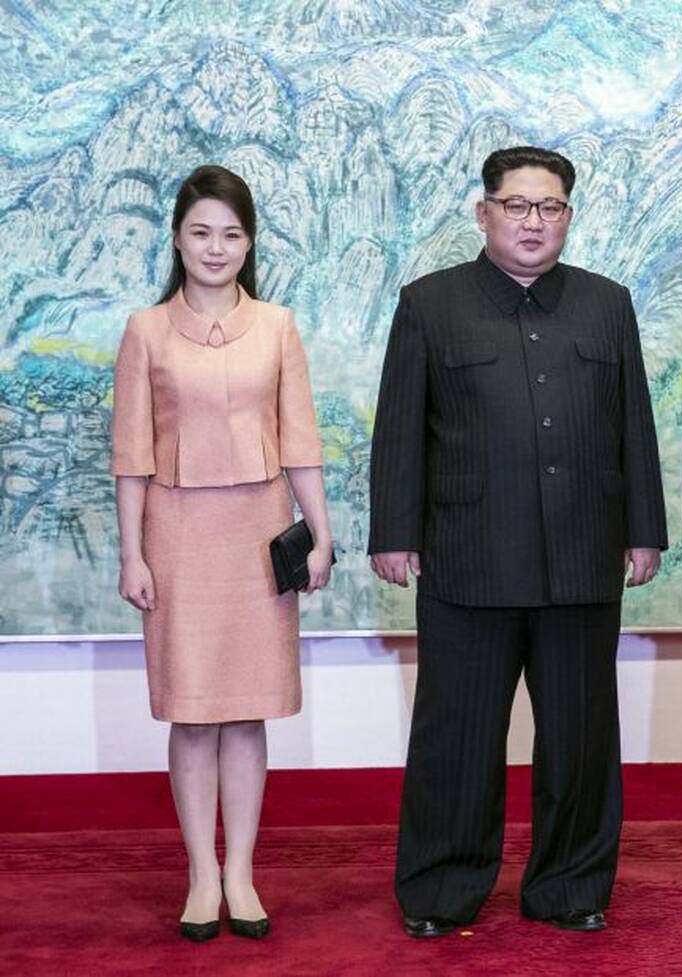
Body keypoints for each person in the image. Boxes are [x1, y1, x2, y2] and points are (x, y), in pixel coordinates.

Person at [368, 146, 668, 938]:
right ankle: (441, 888)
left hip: (582, 556)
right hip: (469, 557)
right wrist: (393, 531)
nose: (534, 222)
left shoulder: (607, 304)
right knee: (456, 735)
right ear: (485, 212)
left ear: (567, 215)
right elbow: (400, 426)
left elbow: (633, 423)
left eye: (550, 207)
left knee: (580, 736)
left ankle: (569, 885)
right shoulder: (430, 303)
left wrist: (645, 530)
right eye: (517, 205)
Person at [111, 165, 333, 941]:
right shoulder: (145, 330)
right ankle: (200, 875)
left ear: (249, 243)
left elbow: (301, 440)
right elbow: (130, 455)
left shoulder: (277, 326)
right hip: (175, 535)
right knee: (193, 709)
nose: (216, 247)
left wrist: (321, 532)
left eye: (231, 234)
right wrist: (132, 553)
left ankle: (240, 871)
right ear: (177, 239)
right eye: (201, 232)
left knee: (246, 710)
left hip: (258, 534)